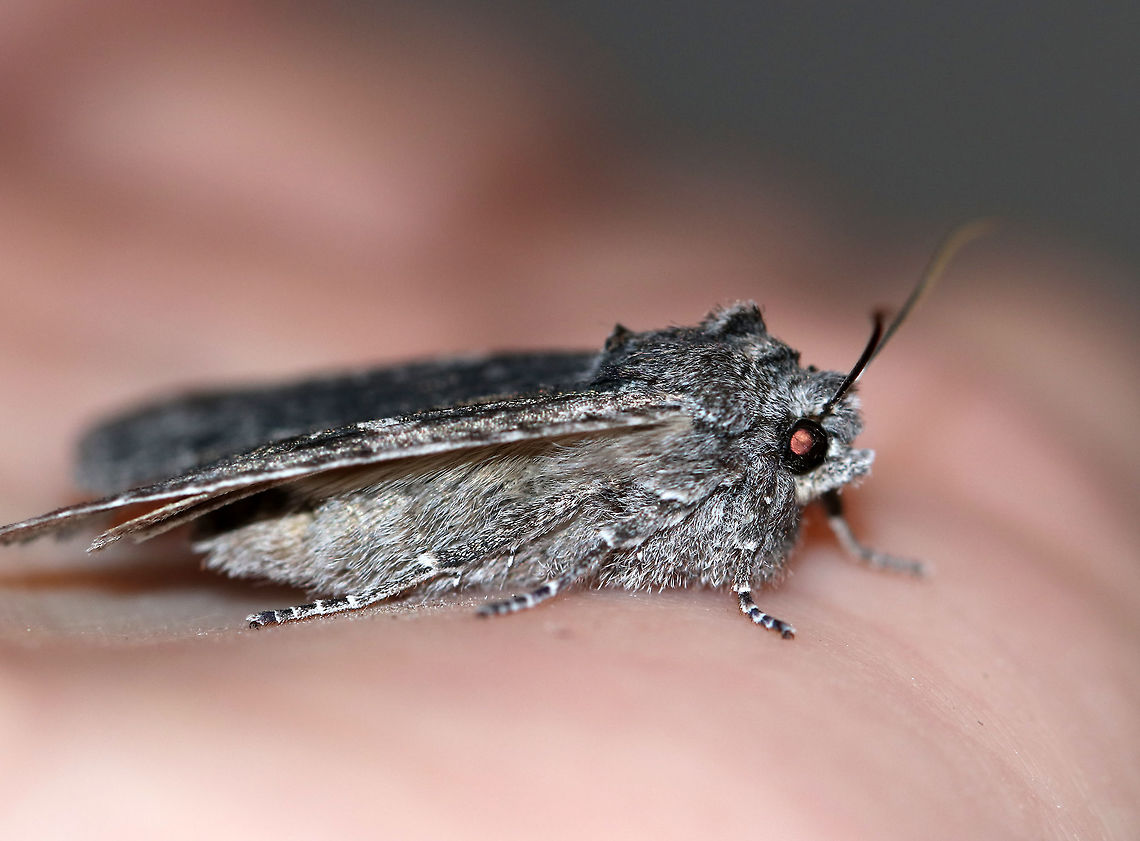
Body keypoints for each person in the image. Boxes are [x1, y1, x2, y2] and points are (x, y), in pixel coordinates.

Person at [0, 5, 1135, 838]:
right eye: (804, 450)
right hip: (340, 521)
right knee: (451, 453)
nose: (832, 462)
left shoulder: (763, 462)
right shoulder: (666, 433)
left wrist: (836, 526)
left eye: (817, 455)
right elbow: (585, 496)